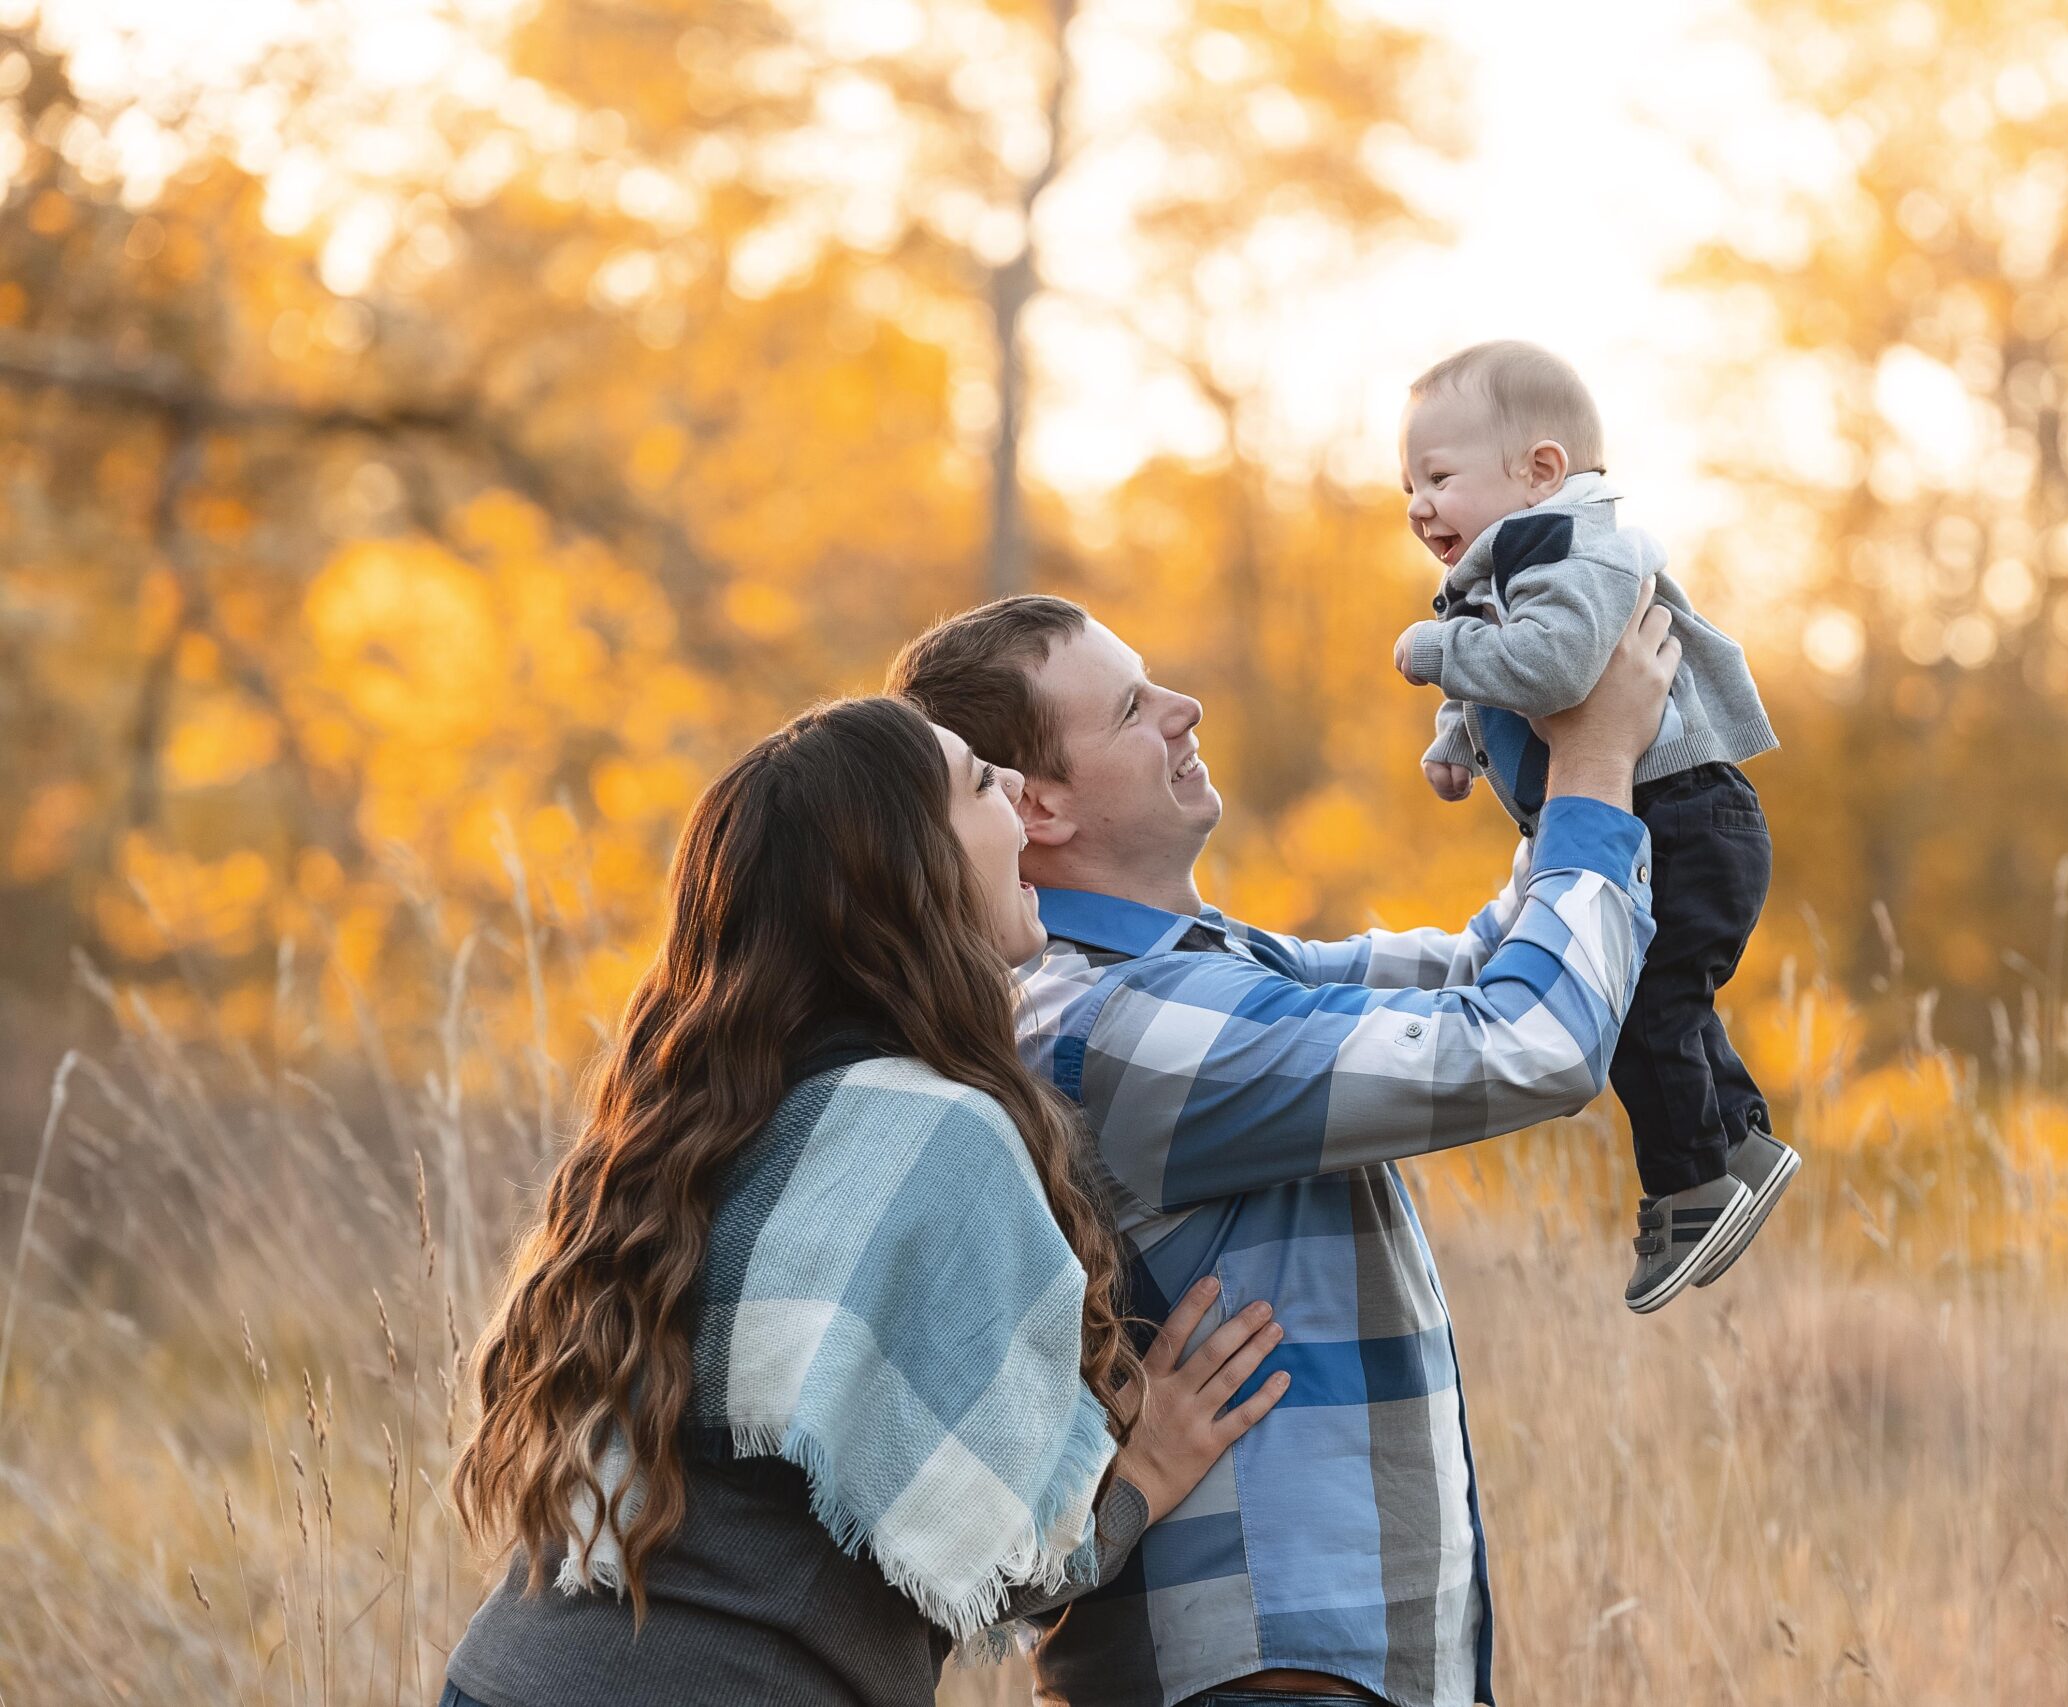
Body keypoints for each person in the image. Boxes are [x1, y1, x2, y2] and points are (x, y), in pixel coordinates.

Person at [889, 591, 1677, 1707]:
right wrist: (1596, 769)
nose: (1184, 707)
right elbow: (1533, 1041)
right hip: (1263, 1677)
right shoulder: (1112, 1027)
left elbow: (1487, 973)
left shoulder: (1203, 972)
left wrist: (1564, 751)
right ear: (1043, 806)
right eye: (1128, 710)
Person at [440, 696, 1290, 1707]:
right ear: (909, 871)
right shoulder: (942, 1138)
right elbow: (994, 1560)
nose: (1017, 789)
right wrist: (1141, 1477)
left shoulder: (693, 1125)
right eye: (980, 783)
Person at [1391, 339, 1797, 1314]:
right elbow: (1509, 659)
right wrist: (1459, 734)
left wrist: (1431, 654)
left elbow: (1556, 667)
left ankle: (1691, 1186)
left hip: (1684, 815)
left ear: (1538, 470)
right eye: (1405, 486)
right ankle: (1735, 1143)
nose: (1415, 506)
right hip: (1659, 814)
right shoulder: (1515, 564)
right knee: (1661, 998)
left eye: (1437, 478)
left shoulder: (1574, 545)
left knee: (1636, 1001)